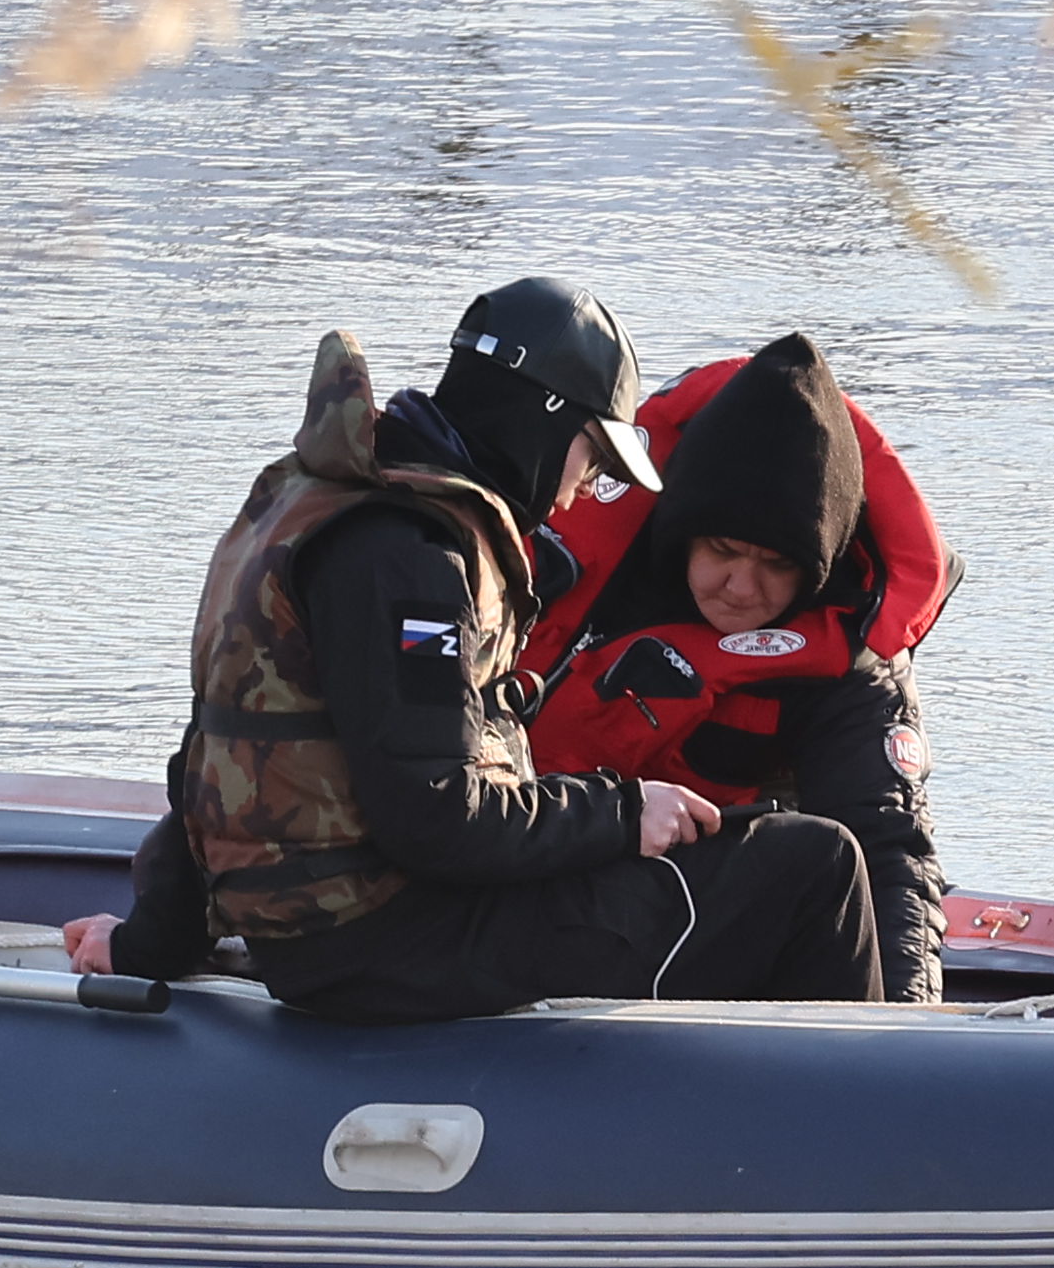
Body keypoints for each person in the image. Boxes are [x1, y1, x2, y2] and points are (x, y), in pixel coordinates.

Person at [68, 281, 886, 1018]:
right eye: (591, 456)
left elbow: (214, 752)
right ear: (545, 422)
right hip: (393, 944)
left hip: (339, 932)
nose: (579, 489)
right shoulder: (410, 563)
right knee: (815, 864)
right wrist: (627, 812)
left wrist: (151, 944)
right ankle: (868, 1122)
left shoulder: (313, 508)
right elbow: (438, 820)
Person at [519, 332, 957, 1000]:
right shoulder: (568, 582)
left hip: (706, 904)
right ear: (681, 532)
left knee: (828, 859)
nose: (742, 588)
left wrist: (907, 1031)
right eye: (723, 550)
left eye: (778, 565)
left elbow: (889, 851)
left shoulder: (852, 649)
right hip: (523, 858)